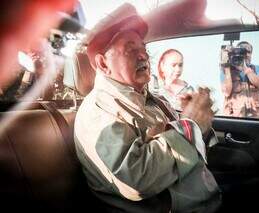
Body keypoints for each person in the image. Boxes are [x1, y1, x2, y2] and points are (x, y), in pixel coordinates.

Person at [74, 4, 221, 213]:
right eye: (131, 49)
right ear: (103, 64)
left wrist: (199, 120)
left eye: (143, 48)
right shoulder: (96, 112)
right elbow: (135, 179)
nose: (143, 55)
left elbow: (187, 144)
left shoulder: (155, 99)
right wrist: (189, 126)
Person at [220, 41, 259, 118]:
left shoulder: (257, 68)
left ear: (251, 54)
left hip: (255, 116)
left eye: (249, 52)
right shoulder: (226, 70)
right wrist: (227, 67)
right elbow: (226, 92)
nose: (246, 54)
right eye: (243, 51)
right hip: (234, 117)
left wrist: (245, 68)